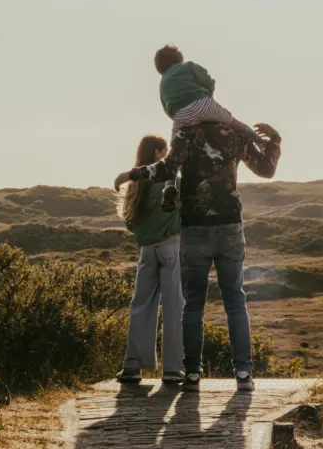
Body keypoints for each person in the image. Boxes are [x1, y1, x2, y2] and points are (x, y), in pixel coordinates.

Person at [114, 121, 282, 393]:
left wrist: (131, 174)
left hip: (186, 233)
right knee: (233, 302)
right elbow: (266, 168)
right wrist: (274, 141)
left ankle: (187, 372)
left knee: (188, 305)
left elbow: (167, 169)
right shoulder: (236, 134)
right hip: (226, 226)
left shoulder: (186, 135)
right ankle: (239, 373)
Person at [153, 44, 265, 212]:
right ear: (179, 58)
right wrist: (209, 93)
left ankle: (169, 185)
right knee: (237, 124)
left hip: (181, 115)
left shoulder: (162, 83)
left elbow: (167, 107)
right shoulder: (188, 66)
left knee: (173, 153)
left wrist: (183, 120)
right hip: (204, 104)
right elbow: (206, 79)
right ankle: (262, 143)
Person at [115, 135, 185, 385]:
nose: (166, 157)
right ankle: (173, 368)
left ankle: (133, 366)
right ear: (157, 154)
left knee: (141, 305)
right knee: (174, 306)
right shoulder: (171, 181)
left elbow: (129, 222)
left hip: (147, 250)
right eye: (164, 153)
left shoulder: (134, 186)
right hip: (171, 247)